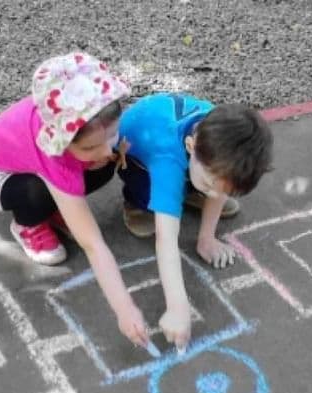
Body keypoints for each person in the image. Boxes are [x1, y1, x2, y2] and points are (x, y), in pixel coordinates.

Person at [0, 52, 149, 346]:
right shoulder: (54, 156)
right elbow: (93, 244)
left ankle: (60, 205)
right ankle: (29, 224)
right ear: (64, 140)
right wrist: (125, 309)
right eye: (90, 147)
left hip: (34, 158)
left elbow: (101, 145)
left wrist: (101, 148)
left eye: (110, 135)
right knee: (37, 190)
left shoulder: (91, 127)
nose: (104, 149)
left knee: (105, 166)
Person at [117, 93, 273, 350]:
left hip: (187, 159)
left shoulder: (220, 141)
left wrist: (207, 238)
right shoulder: (167, 158)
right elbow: (166, 240)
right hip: (133, 156)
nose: (216, 195)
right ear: (190, 146)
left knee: (207, 180)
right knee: (164, 189)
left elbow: (216, 181)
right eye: (211, 186)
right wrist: (177, 307)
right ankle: (137, 203)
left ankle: (190, 189)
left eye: (225, 191)